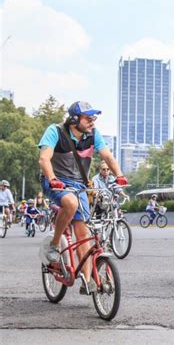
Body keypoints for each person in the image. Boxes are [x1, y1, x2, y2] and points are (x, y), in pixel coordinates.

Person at [38, 101, 128, 295]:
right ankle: (54, 245)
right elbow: (44, 159)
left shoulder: (93, 134)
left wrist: (119, 176)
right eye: (88, 118)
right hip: (56, 181)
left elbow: (108, 157)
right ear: (74, 119)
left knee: (83, 233)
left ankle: (87, 281)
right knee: (70, 202)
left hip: (79, 185)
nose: (92, 121)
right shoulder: (55, 131)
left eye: (93, 118)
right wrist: (52, 179)